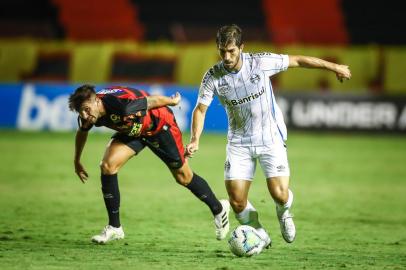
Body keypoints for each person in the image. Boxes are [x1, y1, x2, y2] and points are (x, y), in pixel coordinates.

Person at [185, 24, 352, 249]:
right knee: (236, 201)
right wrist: (195, 139)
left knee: (280, 194)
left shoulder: (260, 63)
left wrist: (335, 67)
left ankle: (284, 214)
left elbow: (298, 60)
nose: (226, 56)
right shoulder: (213, 76)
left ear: (241, 48)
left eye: (232, 51)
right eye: (222, 51)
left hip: (270, 137)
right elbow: (200, 110)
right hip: (239, 143)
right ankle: (261, 235)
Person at [68, 85, 230, 244]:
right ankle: (115, 227)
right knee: (108, 165)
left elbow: (150, 101)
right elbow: (82, 132)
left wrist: (172, 101)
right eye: (80, 111)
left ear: (97, 101)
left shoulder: (121, 105)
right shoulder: (88, 116)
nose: (84, 114)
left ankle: (219, 209)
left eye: (86, 109)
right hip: (134, 132)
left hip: (159, 127)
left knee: (184, 177)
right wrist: (76, 161)